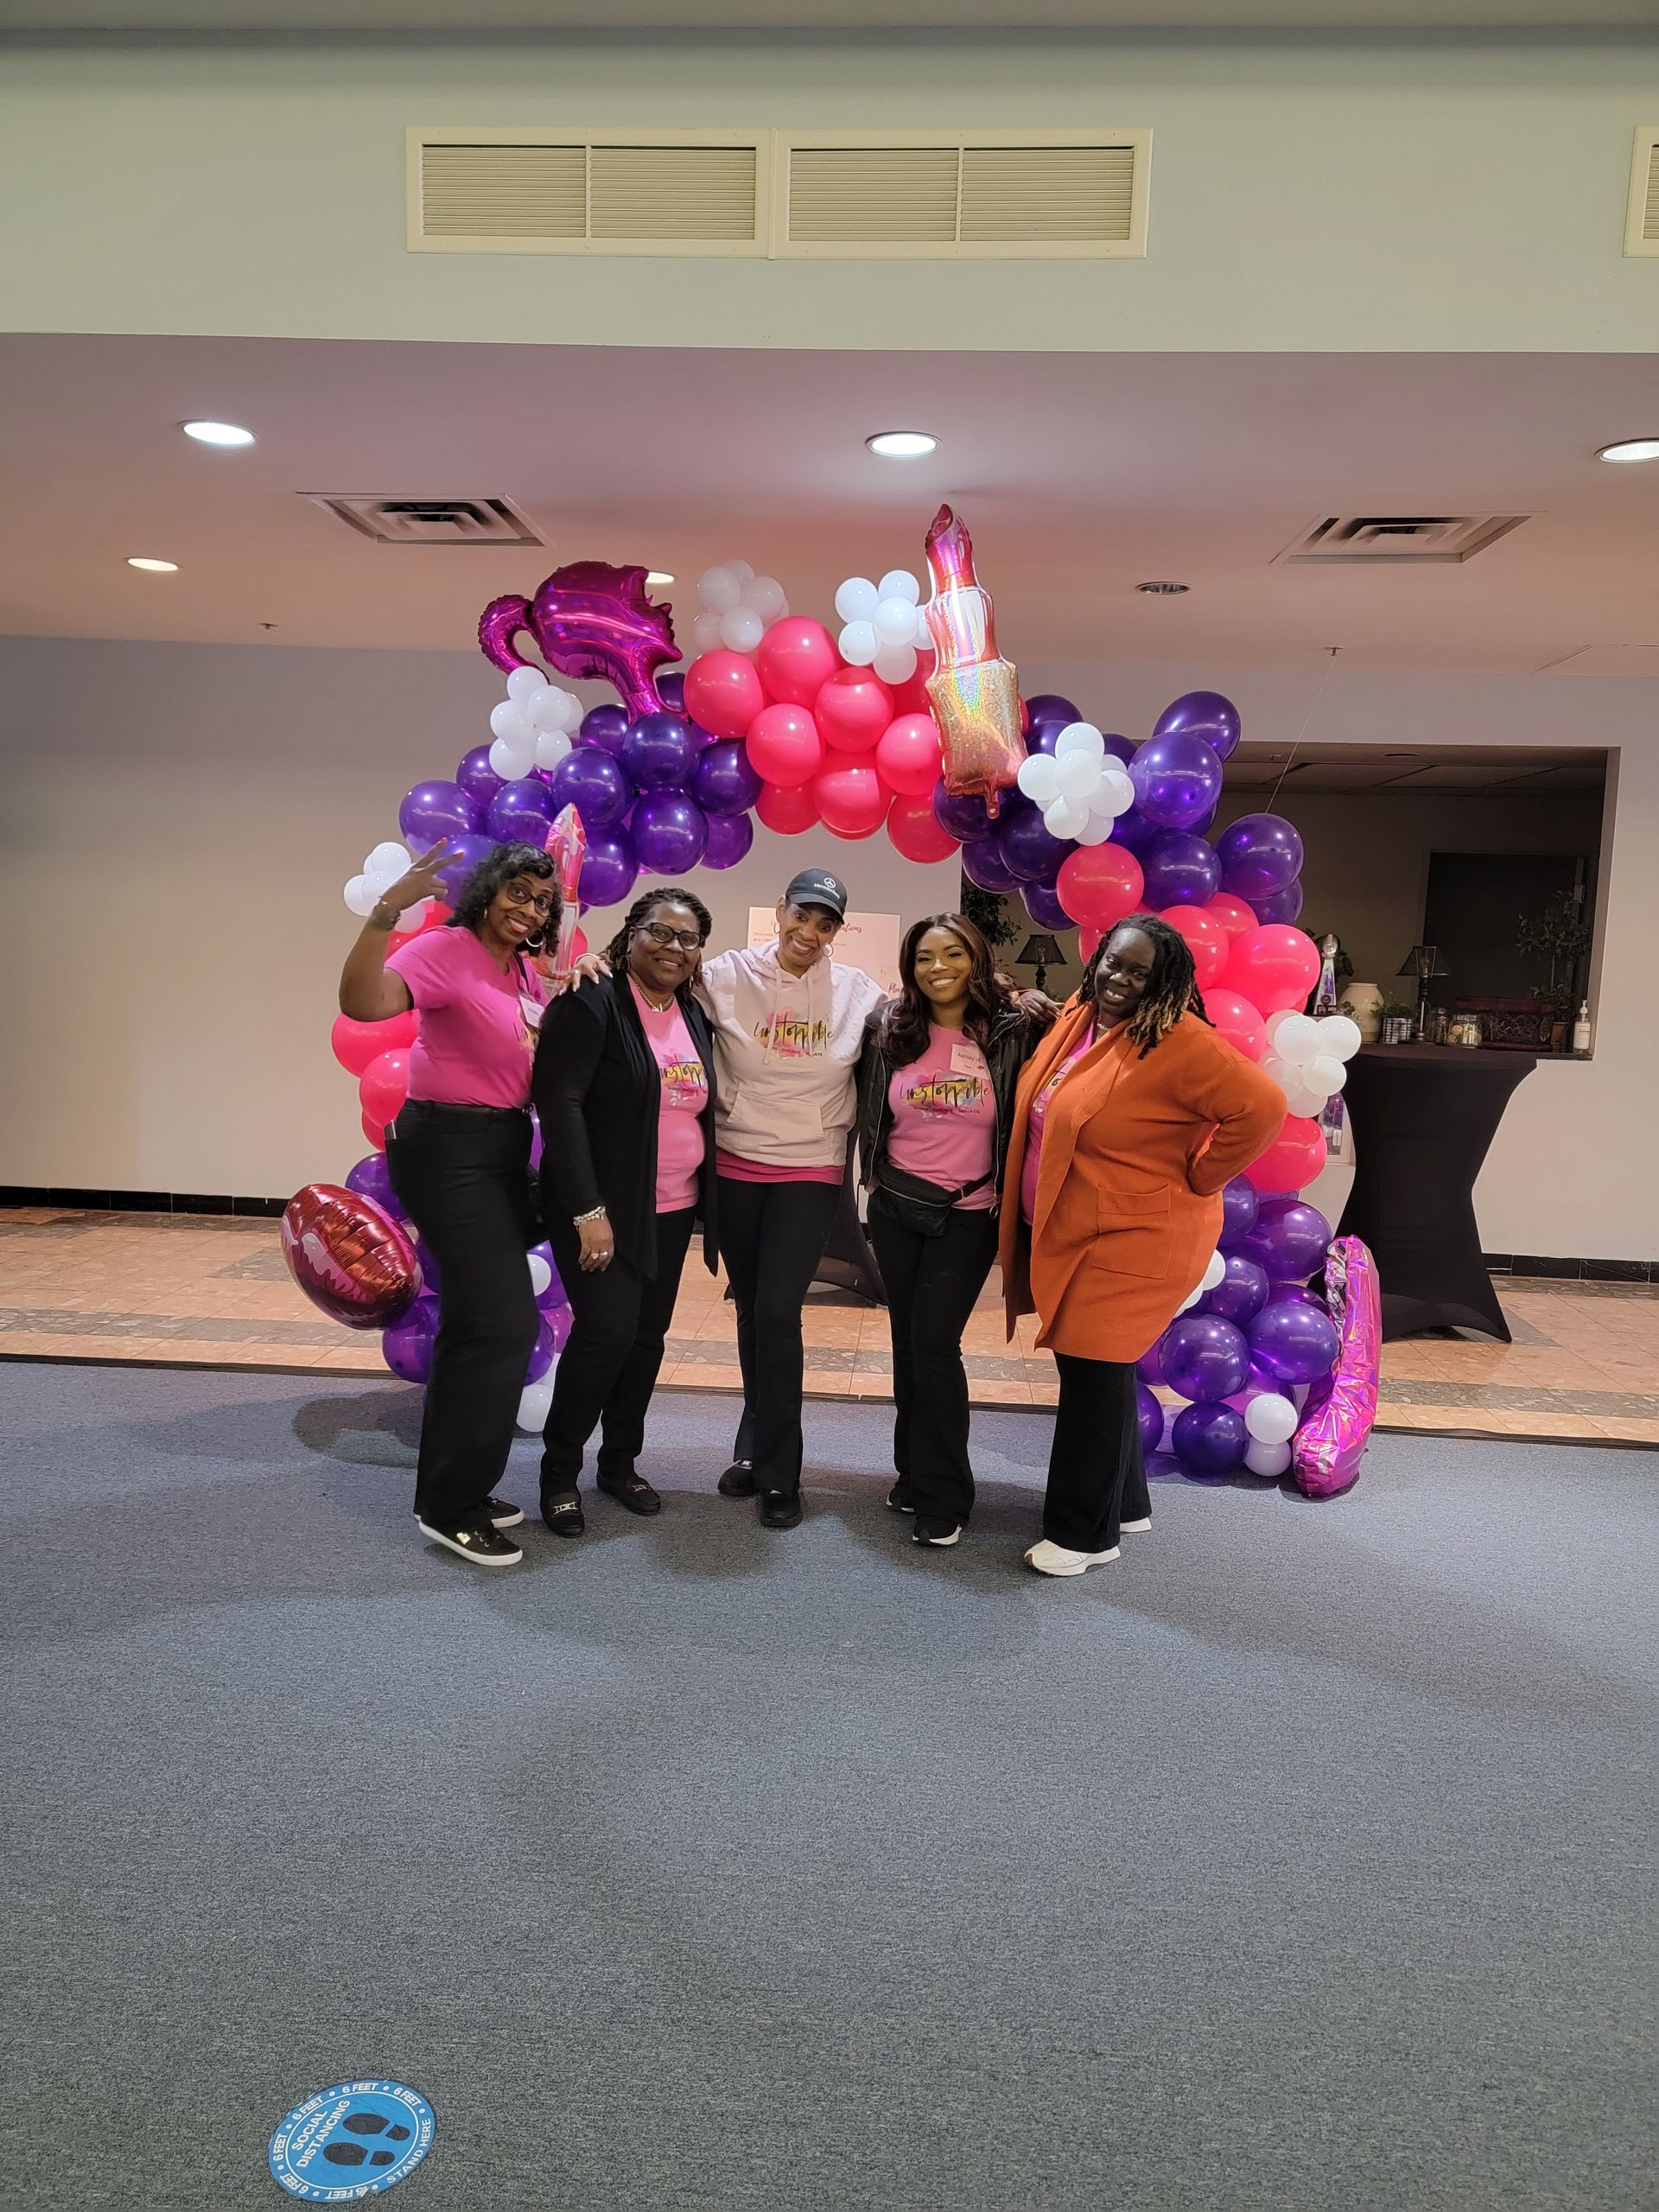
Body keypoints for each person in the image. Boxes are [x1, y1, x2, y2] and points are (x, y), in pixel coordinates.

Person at [1001, 914, 1284, 1578]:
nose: (1120, 979)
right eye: (1114, 963)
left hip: (1134, 1238)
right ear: (1097, 957)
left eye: (1140, 973)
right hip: (1079, 1231)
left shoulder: (1181, 1041)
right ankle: (1124, 1502)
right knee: (1096, 1374)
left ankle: (1083, 1536)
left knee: (1093, 1376)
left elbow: (1264, 1106)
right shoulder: (1083, 1013)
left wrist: (1204, 1173)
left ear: (1166, 984)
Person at [339, 839, 560, 1568]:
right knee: (502, 1322)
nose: (528, 909)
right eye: (518, 892)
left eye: (540, 900)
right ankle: (451, 1505)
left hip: (498, 1152)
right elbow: (363, 1003)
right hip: (448, 1152)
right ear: (488, 890)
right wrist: (385, 914)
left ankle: (453, 1485)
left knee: (474, 1327)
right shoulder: (446, 947)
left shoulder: (519, 967)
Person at [856, 914, 1053, 1548]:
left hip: (969, 1215)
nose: (937, 967)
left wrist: (1035, 1002)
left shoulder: (1010, 1029)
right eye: (923, 958)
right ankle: (913, 1474)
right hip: (896, 1209)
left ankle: (946, 1495)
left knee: (936, 1346)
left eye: (951, 954)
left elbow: (1076, 1037)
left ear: (976, 958)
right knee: (909, 1345)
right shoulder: (891, 1026)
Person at [700, 868, 887, 1529]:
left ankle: (782, 1473)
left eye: (825, 922)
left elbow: (921, 1017)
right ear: (780, 911)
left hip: (809, 1168)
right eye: (801, 915)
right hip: (734, 1164)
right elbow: (649, 987)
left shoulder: (857, 992)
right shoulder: (725, 974)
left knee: (779, 1312)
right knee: (753, 1310)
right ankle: (752, 1450)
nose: (809, 931)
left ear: (838, 930)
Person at [531, 887, 720, 1536]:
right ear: (632, 933)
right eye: (661, 933)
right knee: (606, 1334)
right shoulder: (591, 1002)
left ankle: (619, 1463)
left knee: (645, 1340)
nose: (674, 948)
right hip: (601, 1211)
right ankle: (559, 1473)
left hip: (672, 1209)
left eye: (688, 939)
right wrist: (588, 1210)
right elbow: (560, 1106)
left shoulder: (691, 1012)